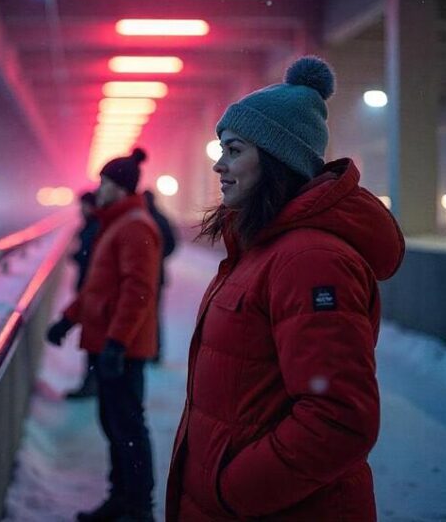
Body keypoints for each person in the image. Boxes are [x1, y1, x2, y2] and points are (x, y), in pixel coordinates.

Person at [166, 56, 405, 522]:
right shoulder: (262, 250)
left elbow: (340, 418)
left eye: (234, 150)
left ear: (276, 160)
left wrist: (231, 490)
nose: (219, 166)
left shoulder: (309, 261)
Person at [47, 148, 162, 522]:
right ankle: (122, 497)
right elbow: (97, 287)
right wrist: (68, 320)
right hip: (108, 344)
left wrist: (117, 343)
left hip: (121, 348)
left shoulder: (134, 227)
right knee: (115, 424)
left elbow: (138, 291)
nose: (100, 189)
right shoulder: (115, 223)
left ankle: (139, 505)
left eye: (106, 182)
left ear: (121, 187)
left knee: (127, 426)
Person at [67, 190, 101, 399]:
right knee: (91, 339)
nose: (81, 209)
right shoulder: (94, 224)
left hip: (92, 290)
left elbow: (93, 258)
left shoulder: (95, 226)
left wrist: (79, 256)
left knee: (93, 339)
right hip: (90, 289)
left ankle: (91, 384)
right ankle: (90, 382)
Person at [142, 190, 176, 364]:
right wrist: (159, 256)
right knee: (155, 314)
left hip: (147, 274)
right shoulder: (162, 219)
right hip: (157, 275)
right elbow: (172, 244)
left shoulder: (143, 219)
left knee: (144, 313)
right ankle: (155, 351)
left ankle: (147, 350)